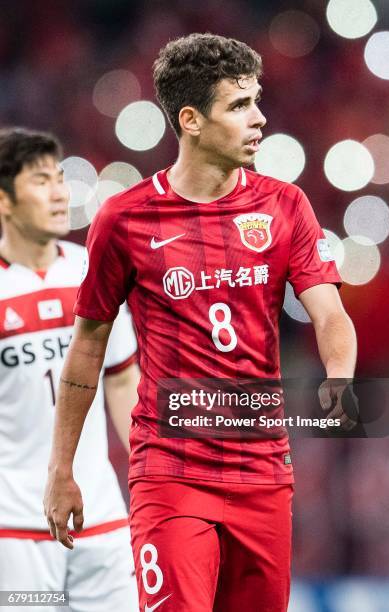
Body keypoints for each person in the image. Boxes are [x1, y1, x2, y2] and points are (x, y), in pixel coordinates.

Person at [44, 34, 357, 612]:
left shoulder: (285, 205)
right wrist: (61, 468)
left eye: (258, 101)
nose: (259, 119)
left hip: (264, 471)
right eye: (238, 106)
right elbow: (87, 348)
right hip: (171, 472)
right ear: (189, 119)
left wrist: (339, 375)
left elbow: (329, 310)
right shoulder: (125, 218)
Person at [0, 128, 139, 612]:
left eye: (61, 178)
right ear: (4, 201)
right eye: (41, 181)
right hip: (14, 528)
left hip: (100, 514)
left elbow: (122, 379)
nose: (60, 192)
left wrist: (149, 468)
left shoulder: (91, 270)